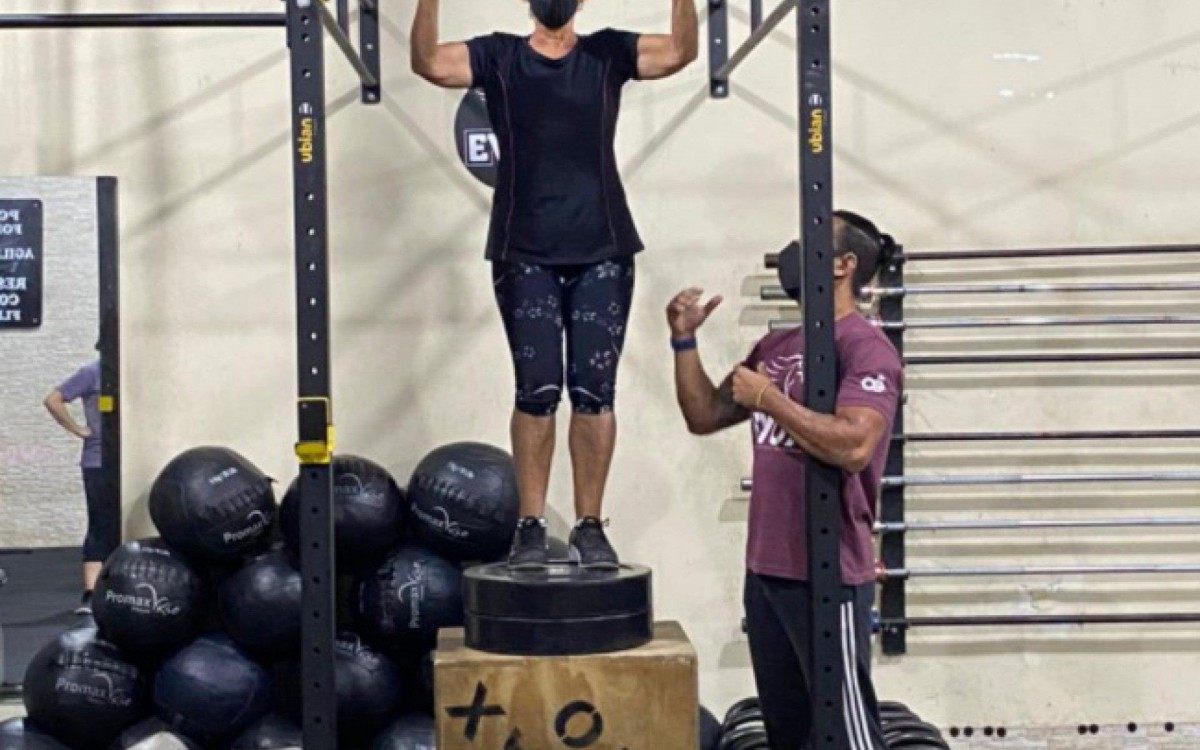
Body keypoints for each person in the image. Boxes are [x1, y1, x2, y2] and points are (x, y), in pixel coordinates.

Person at [411, 0, 698, 569]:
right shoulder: (498, 56)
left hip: (603, 248)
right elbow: (427, 63)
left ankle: (590, 525)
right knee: (537, 391)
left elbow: (679, 53)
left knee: (595, 392)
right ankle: (531, 526)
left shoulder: (607, 52)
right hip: (525, 249)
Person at [667, 212, 902, 750]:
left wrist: (771, 399)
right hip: (766, 572)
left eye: (813, 243)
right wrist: (684, 344)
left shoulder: (866, 348)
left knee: (848, 735)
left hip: (830, 572)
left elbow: (854, 444)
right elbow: (703, 414)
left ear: (845, 265)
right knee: (789, 734)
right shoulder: (776, 348)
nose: (796, 251)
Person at [44, 350, 116, 615]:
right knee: (100, 523)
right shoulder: (92, 372)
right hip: (98, 460)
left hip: (129, 458)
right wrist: (78, 430)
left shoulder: (133, 372)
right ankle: (90, 596)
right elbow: (53, 400)